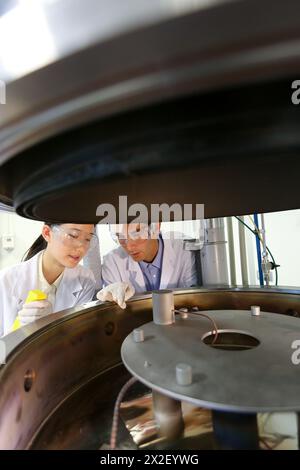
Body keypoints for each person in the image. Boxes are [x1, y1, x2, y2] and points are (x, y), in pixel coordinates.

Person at [0, 223, 97, 336]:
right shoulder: (6, 280)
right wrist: (17, 334)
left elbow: (77, 337)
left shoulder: (85, 280)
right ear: (47, 233)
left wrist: (51, 323)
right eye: (73, 236)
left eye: (87, 239)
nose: (81, 248)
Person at [97, 223, 197, 308]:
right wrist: (112, 297)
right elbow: (115, 314)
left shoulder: (184, 250)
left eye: (136, 233)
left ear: (155, 227)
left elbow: (193, 301)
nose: (129, 246)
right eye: (120, 236)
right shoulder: (112, 262)